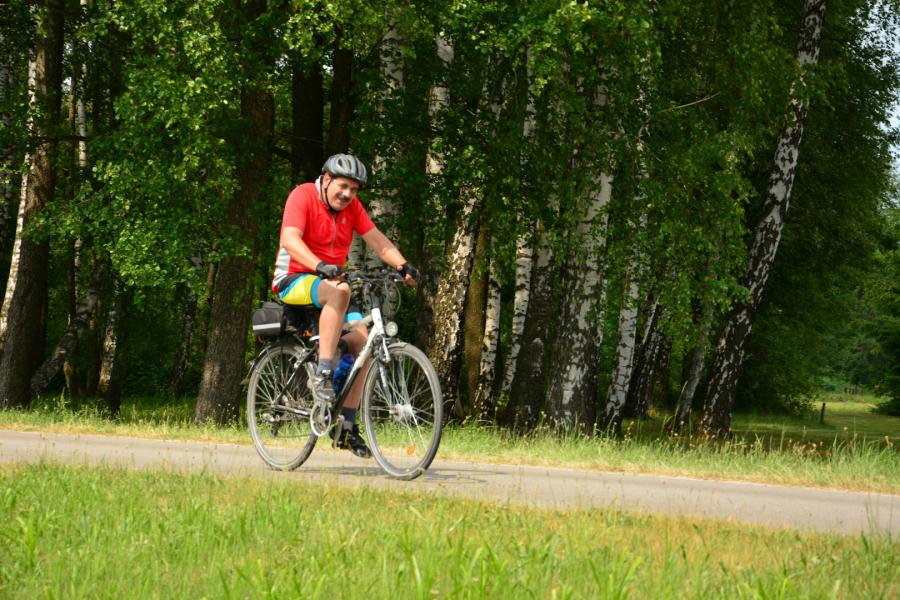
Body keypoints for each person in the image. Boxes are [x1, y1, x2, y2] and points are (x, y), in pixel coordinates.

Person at [272, 153, 419, 458]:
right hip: (293, 279)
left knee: (363, 342)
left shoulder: (352, 208)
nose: (347, 194)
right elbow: (290, 239)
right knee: (341, 291)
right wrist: (319, 265)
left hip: (330, 285)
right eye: (343, 186)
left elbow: (376, 239)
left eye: (353, 189)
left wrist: (402, 265)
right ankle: (324, 374)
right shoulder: (303, 195)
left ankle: (347, 427)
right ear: (327, 180)